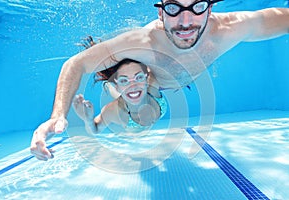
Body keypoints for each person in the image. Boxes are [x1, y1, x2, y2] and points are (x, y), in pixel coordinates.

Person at [30, 0, 289, 160]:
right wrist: (57, 115)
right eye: (174, 8)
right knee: (122, 92)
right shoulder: (143, 41)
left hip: (159, 85)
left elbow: (282, 19)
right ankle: (112, 87)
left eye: (197, 6)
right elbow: (76, 63)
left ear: (210, 8)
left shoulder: (229, 29)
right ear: (161, 11)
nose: (185, 22)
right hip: (155, 84)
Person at [72, 58, 167, 134]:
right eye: (124, 80)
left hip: (128, 90)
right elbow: (95, 130)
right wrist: (88, 120)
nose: (133, 85)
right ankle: (109, 84)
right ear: (117, 86)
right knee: (121, 93)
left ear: (146, 79)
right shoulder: (114, 111)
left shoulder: (153, 83)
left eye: (139, 77)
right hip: (121, 98)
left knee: (128, 91)